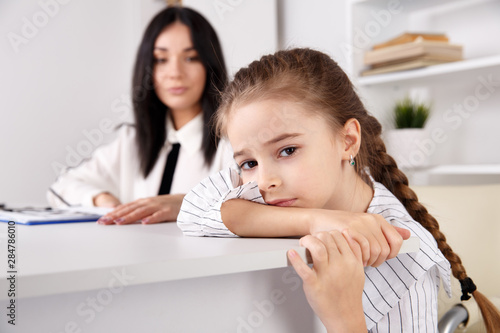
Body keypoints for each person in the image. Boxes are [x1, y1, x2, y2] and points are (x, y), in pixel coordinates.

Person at [177, 48, 500, 331]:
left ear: (347, 141)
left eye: (287, 151)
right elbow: (193, 211)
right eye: (248, 164)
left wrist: (344, 318)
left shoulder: (400, 257)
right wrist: (317, 220)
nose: (264, 183)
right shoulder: (285, 193)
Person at [47, 6, 234, 225]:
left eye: (191, 58)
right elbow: (62, 188)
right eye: (161, 59)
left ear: (210, 65)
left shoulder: (231, 140)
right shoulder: (131, 141)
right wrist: (101, 199)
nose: (175, 73)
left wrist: (185, 203)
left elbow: (256, 205)